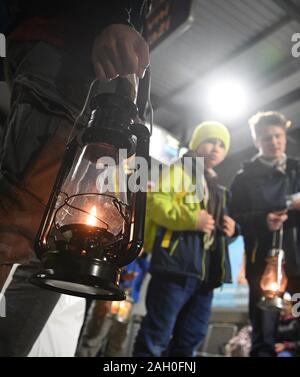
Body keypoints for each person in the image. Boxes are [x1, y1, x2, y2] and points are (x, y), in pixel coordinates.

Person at [0, 0, 150, 356]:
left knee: (47, 244)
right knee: (25, 229)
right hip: (78, 56)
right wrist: (115, 16)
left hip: (71, 53)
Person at [133, 121, 238, 357]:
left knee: (191, 338)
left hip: (207, 275)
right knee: (156, 336)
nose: (216, 148)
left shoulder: (219, 190)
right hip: (175, 267)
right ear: (196, 143)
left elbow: (214, 233)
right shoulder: (180, 171)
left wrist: (233, 230)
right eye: (210, 140)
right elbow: (156, 203)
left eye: (222, 145)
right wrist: (192, 220)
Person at [230, 111, 300, 357]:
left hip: (297, 263)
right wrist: (263, 219)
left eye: (278, 136)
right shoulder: (243, 178)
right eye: (267, 138)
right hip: (262, 266)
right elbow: (233, 219)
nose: (274, 142)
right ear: (256, 141)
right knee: (263, 333)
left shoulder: (297, 169)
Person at [75, 254, 150, 357]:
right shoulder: (122, 251)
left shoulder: (143, 261)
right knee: (96, 335)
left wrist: (143, 255)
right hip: (110, 296)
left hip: (127, 301)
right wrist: (123, 277)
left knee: (117, 341)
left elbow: (144, 274)